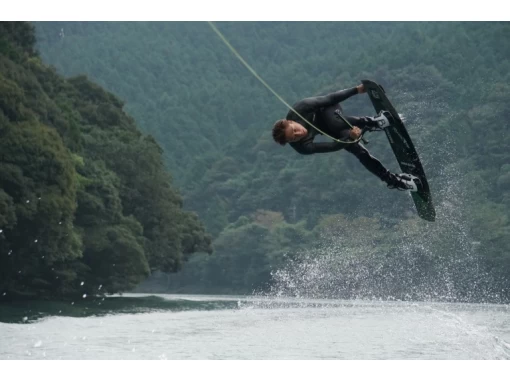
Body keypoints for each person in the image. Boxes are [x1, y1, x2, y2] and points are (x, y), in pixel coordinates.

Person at [271, 83, 418, 191]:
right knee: (359, 152)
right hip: (330, 130)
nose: (299, 134)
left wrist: (357, 90)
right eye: (294, 138)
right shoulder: (302, 147)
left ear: (291, 122)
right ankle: (397, 181)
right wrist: (350, 138)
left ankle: (374, 122)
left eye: (294, 130)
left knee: (335, 124)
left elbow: (330, 98)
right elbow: (334, 146)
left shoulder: (300, 109)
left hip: (329, 111)